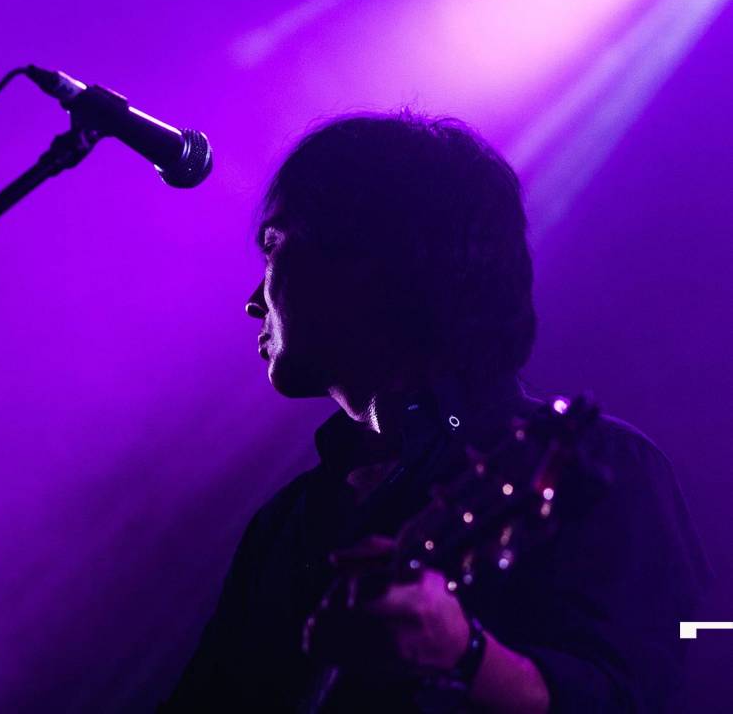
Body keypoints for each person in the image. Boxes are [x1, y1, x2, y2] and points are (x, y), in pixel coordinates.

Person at [163, 113, 710, 713]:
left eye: (274, 247)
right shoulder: (287, 521)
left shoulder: (593, 464)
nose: (252, 301)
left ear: (368, 264)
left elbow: (640, 696)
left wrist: (467, 655)